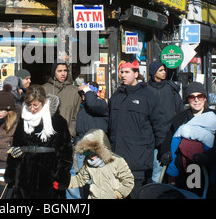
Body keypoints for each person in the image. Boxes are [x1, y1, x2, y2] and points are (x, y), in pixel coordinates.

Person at [159, 82, 216, 199]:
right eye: (192, 97)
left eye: (200, 96)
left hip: (208, 170)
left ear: (205, 98)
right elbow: (167, 139)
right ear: (187, 100)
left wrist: (208, 157)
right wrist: (165, 153)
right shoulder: (179, 119)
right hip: (182, 172)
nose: (196, 100)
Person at [108, 60, 167, 198]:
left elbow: (160, 125)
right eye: (121, 72)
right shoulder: (116, 95)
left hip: (138, 162)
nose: (123, 75)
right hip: (116, 160)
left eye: (127, 72)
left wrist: (163, 149)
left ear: (136, 74)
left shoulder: (148, 96)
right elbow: (108, 125)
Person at [4, 85, 73, 199]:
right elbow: (15, 147)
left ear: (44, 101)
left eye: (35, 105)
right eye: (29, 105)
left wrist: (61, 177)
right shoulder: (24, 120)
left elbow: (65, 152)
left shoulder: (57, 121)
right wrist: (11, 173)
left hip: (49, 175)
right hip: (25, 175)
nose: (32, 109)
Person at [67, 81, 109, 198]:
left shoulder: (101, 104)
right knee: (79, 181)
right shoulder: (82, 107)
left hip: (96, 150)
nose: (83, 96)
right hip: (81, 150)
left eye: (85, 93)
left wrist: (87, 89)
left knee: (93, 181)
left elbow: (92, 103)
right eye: (82, 93)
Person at [68, 129, 134, 199]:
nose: (92, 158)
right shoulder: (88, 163)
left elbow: (128, 181)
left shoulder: (117, 161)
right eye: (89, 154)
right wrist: (66, 183)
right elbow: (81, 179)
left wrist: (117, 194)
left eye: (94, 154)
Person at [147, 61, 184, 182]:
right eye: (160, 70)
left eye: (164, 70)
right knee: (156, 167)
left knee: (172, 167)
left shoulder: (170, 88)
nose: (164, 73)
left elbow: (180, 110)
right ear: (153, 73)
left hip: (170, 133)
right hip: (152, 135)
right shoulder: (146, 89)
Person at [42, 60, 81, 138]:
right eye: (59, 71)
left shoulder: (75, 91)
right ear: (54, 72)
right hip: (46, 136)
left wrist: (70, 133)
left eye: (65, 71)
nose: (63, 74)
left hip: (66, 137)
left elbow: (75, 116)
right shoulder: (44, 89)